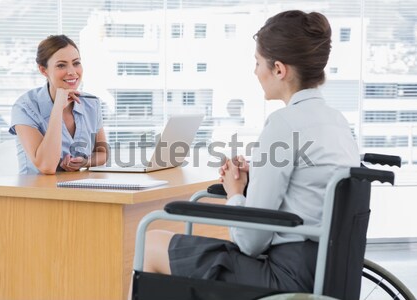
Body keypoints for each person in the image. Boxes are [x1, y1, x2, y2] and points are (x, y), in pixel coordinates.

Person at [137, 10, 360, 294]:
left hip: (284, 277)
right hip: (327, 270)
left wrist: (235, 193)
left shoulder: (283, 124)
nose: (255, 72)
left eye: (257, 63)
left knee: (151, 239)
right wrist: (255, 179)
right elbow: (310, 190)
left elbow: (251, 243)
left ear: (279, 69)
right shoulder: (337, 121)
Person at [9, 35, 108, 175]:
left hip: (79, 189)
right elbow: (47, 166)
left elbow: (102, 153)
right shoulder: (24, 107)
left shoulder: (91, 103)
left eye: (76, 63)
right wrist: (57, 109)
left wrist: (85, 162)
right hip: (37, 192)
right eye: (61, 65)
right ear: (44, 70)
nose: (72, 72)